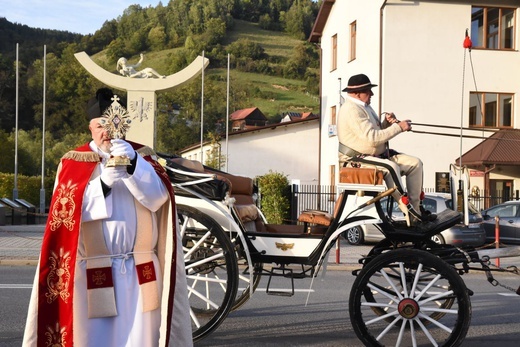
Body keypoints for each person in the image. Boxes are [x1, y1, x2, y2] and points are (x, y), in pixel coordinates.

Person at [23, 88, 192, 346]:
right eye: (101, 124)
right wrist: (103, 184)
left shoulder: (144, 156)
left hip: (141, 271)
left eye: (114, 123)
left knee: (142, 337)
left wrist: (133, 164)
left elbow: (159, 199)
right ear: (90, 127)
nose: (108, 131)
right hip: (93, 269)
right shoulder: (73, 162)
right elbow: (64, 215)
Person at [337, 73, 435, 224]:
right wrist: (398, 127)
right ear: (357, 93)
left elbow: (373, 135)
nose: (372, 94)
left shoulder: (364, 107)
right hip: (354, 160)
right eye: (368, 91)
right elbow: (372, 138)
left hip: (374, 156)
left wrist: (386, 125)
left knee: (415, 163)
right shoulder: (351, 110)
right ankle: (407, 210)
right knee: (391, 167)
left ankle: (416, 212)